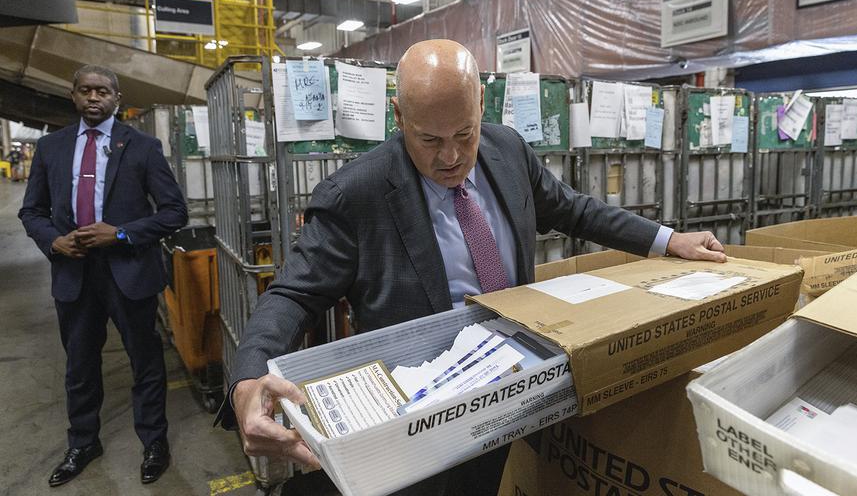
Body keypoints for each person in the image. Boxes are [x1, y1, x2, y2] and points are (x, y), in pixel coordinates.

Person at [225, 40, 726, 494]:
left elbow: (574, 209)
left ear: (482, 106)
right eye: (429, 140)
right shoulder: (355, 195)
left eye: (464, 134)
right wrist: (248, 382)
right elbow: (292, 295)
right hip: (420, 415)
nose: (451, 157)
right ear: (398, 116)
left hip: (520, 384)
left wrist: (667, 240)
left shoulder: (507, 149)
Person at [19, 65, 188, 487]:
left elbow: (174, 212)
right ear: (73, 96)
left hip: (128, 272)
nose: (93, 98)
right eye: (85, 91)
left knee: (146, 363)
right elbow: (31, 211)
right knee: (79, 365)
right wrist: (54, 243)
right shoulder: (50, 148)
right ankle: (82, 442)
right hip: (73, 273)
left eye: (103, 91)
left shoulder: (143, 146)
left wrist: (124, 233)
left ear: (117, 98)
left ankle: (154, 443)